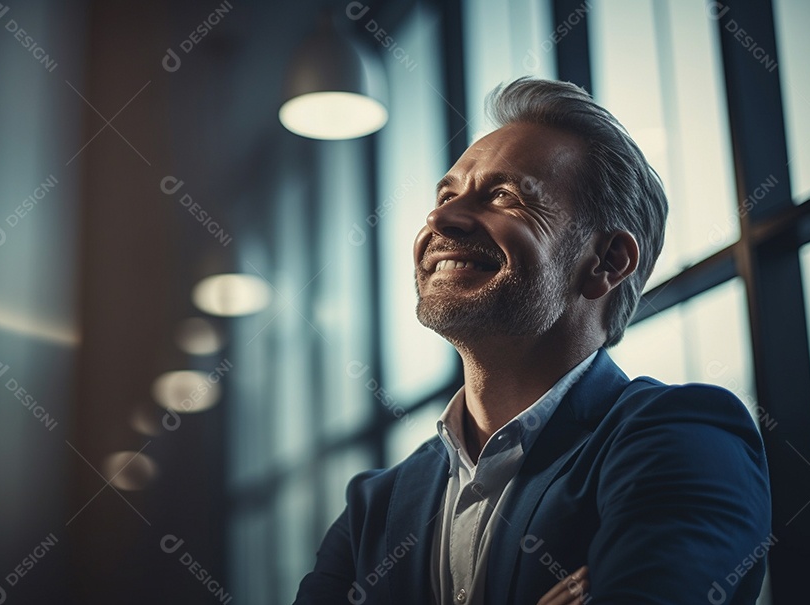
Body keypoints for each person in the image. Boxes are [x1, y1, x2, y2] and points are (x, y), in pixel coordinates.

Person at [293, 77, 771, 605]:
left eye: (504, 196)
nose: (440, 218)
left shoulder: (684, 439)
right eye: (446, 195)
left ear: (608, 261)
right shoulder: (374, 507)